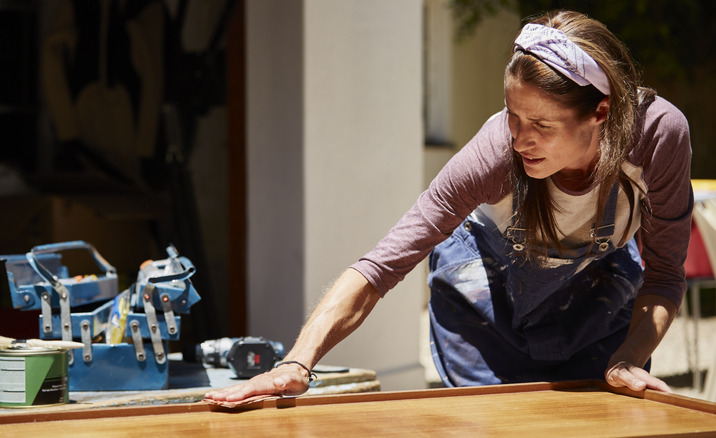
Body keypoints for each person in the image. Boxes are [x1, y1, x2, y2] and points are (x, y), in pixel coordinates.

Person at [205, 9, 692, 403]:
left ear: (600, 112)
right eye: (513, 115)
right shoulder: (494, 154)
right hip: (485, 303)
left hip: (599, 298)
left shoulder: (657, 137)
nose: (520, 139)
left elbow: (666, 272)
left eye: (540, 124)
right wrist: (297, 362)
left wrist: (629, 357)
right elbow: (382, 266)